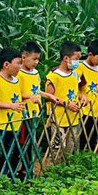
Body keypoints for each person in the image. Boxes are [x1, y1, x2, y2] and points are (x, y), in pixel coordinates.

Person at [16, 41, 59, 178]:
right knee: (23, 143)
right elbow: (16, 94)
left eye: (38, 59)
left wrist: (47, 95)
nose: (36, 62)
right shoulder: (19, 74)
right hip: (23, 113)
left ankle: (27, 169)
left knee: (31, 142)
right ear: (23, 57)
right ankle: (22, 170)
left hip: (34, 113)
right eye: (34, 59)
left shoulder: (35, 73)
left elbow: (36, 90)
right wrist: (30, 97)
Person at [0, 47, 26, 178]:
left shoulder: (17, 81)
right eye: (18, 63)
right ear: (6, 64)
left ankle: (3, 176)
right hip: (0, 122)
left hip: (14, 123)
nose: (20, 66)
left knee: (9, 151)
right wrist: (10, 106)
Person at [43, 42, 80, 164]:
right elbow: (49, 96)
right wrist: (66, 104)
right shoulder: (54, 77)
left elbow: (76, 92)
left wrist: (82, 97)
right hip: (58, 118)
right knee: (57, 147)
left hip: (73, 117)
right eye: (76, 59)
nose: (77, 62)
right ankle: (52, 171)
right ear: (66, 58)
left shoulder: (75, 75)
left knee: (70, 147)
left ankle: (65, 171)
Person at [76, 40, 98, 153]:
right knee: (82, 138)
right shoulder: (79, 68)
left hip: (97, 110)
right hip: (83, 110)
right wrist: (80, 96)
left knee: (93, 139)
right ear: (90, 55)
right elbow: (75, 88)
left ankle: (89, 160)